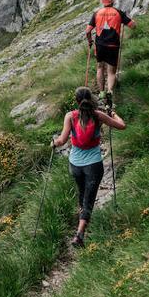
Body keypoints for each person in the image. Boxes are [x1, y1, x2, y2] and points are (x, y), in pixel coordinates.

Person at [51, 87, 126, 247]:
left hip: (75, 164)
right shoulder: (98, 116)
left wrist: (54, 143)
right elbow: (121, 126)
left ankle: (82, 217)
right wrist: (113, 114)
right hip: (93, 164)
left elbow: (62, 140)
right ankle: (79, 234)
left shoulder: (70, 116)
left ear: (77, 101)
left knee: (83, 192)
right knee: (89, 198)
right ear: (91, 99)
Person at [85, 0, 135, 111]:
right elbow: (133, 25)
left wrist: (90, 41)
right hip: (113, 45)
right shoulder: (118, 12)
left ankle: (101, 92)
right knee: (111, 71)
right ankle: (110, 92)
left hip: (100, 45)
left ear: (103, 2)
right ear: (111, 0)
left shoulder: (97, 13)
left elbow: (87, 31)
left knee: (100, 68)